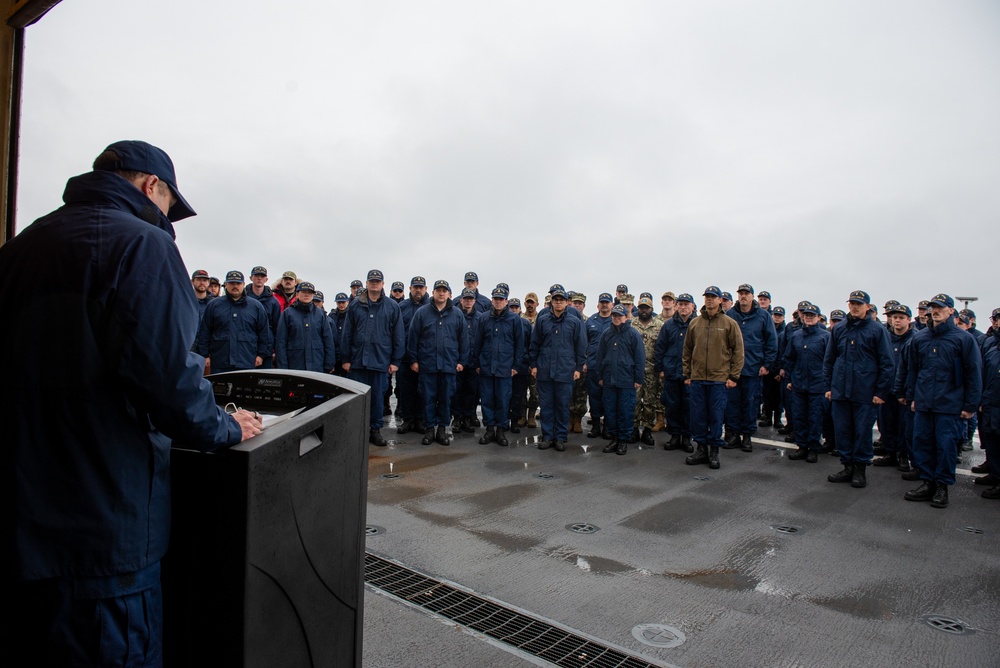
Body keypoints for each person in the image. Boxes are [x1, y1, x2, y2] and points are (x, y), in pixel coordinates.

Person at [0, 140, 261, 666]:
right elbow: (168, 378)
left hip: (21, 520)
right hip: (104, 529)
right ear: (151, 187)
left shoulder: (22, 246)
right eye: (170, 207)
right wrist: (227, 427)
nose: (168, 221)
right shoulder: (142, 246)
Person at [902, 294, 982, 508]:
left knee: (945, 447)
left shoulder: (963, 339)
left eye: (940, 308)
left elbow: (973, 374)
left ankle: (942, 487)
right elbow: (913, 370)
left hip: (950, 405)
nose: (935, 311)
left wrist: (970, 405)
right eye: (932, 308)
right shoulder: (920, 339)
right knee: (922, 443)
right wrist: (912, 397)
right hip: (924, 403)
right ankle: (927, 482)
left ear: (950, 311)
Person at [824, 290, 895, 489]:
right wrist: (829, 386)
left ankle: (860, 469)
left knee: (862, 432)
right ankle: (847, 466)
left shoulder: (877, 330)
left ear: (868, 307)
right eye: (852, 303)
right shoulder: (839, 329)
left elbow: (887, 363)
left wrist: (881, 392)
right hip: (840, 391)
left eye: (859, 303)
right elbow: (829, 360)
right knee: (843, 431)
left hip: (865, 392)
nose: (854, 307)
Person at [341, 269, 405, 446]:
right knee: (357, 398)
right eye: (372, 281)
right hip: (358, 362)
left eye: (378, 281)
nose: (375, 284)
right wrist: (345, 359)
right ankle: (357, 430)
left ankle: (375, 430)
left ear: (383, 284)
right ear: (367, 284)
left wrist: (395, 361)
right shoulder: (354, 305)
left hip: (380, 361)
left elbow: (398, 335)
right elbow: (347, 333)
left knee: (377, 398)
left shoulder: (392, 306)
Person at [683, 286, 744, 470]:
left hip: (719, 379)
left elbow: (739, 351)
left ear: (720, 300)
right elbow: (687, 350)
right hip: (698, 378)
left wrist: (734, 375)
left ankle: (714, 451)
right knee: (698, 416)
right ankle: (701, 449)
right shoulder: (695, 323)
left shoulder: (729, 323)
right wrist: (687, 373)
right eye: (707, 297)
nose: (709, 300)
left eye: (713, 297)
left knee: (716, 416)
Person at [408, 280, 469, 446]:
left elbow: (464, 340)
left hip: (449, 365)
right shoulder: (422, 313)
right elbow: (413, 337)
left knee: (445, 399)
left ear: (449, 293)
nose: (441, 294)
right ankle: (429, 429)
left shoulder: (457, 314)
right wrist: (413, 360)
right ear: (433, 292)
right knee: (428, 398)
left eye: (444, 291)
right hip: (427, 365)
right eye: (438, 290)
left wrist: (462, 361)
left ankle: (442, 429)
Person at [530, 288, 587, 451]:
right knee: (546, 405)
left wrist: (578, 368)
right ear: (552, 301)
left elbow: (581, 346)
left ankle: (561, 437)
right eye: (556, 300)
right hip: (545, 370)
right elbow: (534, 344)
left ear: (567, 302)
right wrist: (533, 365)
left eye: (562, 300)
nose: (558, 302)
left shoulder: (574, 322)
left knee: (562, 405)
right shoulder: (542, 320)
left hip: (565, 371)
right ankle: (547, 436)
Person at [724, 284, 777, 453]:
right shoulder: (730, 314)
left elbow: (771, 341)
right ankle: (732, 435)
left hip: (753, 368)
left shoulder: (763, 316)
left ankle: (747, 436)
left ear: (752, 296)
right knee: (732, 403)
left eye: (746, 294)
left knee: (750, 403)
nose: (743, 296)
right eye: (741, 294)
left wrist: (767, 364)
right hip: (732, 369)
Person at [473, 286, 525, 446]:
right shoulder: (483, 318)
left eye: (501, 299)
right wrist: (477, 363)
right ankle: (489, 429)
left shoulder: (515, 320)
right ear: (492, 300)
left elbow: (519, 345)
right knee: (487, 400)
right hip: (487, 367)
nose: (498, 302)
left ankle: (501, 430)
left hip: (505, 368)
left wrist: (516, 365)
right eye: (495, 299)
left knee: (503, 400)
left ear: (506, 301)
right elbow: (477, 343)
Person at [196, 270, 273, 374]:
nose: (235, 286)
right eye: (231, 283)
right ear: (226, 284)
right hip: (220, 361)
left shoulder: (256, 306)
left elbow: (264, 334)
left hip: (247, 361)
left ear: (244, 284)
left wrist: (261, 355)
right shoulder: (214, 305)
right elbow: (205, 332)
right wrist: (204, 355)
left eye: (238, 283)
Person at [595, 304, 645, 455]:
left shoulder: (633, 334)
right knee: (610, 411)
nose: (616, 318)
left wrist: (638, 378)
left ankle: (623, 440)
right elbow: (600, 356)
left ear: (626, 317)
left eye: (619, 316)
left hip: (627, 380)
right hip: (609, 379)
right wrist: (600, 376)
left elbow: (640, 358)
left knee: (625, 411)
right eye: (614, 315)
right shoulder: (606, 334)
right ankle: (614, 438)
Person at [784, 303, 831, 463]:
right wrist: (789, 379)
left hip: (818, 385)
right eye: (806, 315)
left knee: (815, 418)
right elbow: (789, 358)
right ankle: (802, 446)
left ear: (818, 318)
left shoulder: (826, 337)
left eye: (812, 315)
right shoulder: (796, 336)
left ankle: (813, 448)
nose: (809, 317)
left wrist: (828, 384)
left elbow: (830, 361)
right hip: (799, 384)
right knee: (799, 417)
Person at [871, 304, 916, 471]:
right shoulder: (886, 338)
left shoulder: (915, 339)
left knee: (904, 426)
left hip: (904, 392)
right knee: (886, 423)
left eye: (901, 317)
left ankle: (903, 455)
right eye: (894, 317)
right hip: (886, 390)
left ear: (908, 320)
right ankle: (890, 453)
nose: (896, 320)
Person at [654, 293, 696, 452]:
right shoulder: (669, 325)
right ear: (676, 306)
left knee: (688, 407)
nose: (683, 307)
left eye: (687, 304)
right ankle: (674, 435)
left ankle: (686, 437)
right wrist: (660, 368)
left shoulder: (696, 324)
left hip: (690, 375)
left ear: (692, 306)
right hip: (671, 372)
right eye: (681, 304)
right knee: (672, 406)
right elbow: (660, 348)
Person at [275, 281, 337, 373]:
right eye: (303, 292)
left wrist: (329, 364)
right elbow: (281, 342)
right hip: (295, 366)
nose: (306, 295)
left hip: (317, 366)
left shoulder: (320, 315)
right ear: (297, 294)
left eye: (309, 293)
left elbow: (328, 340)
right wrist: (283, 366)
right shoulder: (288, 314)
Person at [396, 276, 430, 435]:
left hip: (424, 357)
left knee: (423, 390)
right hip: (405, 358)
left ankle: (420, 419)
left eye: (421, 287)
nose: (418, 290)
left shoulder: (431, 308)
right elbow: (395, 332)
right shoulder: (401, 307)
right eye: (415, 287)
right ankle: (407, 419)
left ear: (426, 289)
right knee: (406, 390)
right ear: (410, 289)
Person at [633, 294, 665, 445]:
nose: (644, 311)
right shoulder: (631, 324)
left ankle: (646, 430)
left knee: (650, 402)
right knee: (635, 400)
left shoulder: (659, 325)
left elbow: (663, 348)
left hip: (652, 370)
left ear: (652, 309)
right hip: (635, 370)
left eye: (646, 308)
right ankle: (633, 429)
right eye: (641, 308)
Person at [585, 293, 614, 439]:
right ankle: (596, 426)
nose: (604, 305)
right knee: (594, 396)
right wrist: (584, 361)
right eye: (602, 302)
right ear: (598, 304)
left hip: (609, 366)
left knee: (608, 397)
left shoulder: (615, 320)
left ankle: (607, 427)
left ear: (612, 305)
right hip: (593, 365)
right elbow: (584, 343)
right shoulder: (591, 321)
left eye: (607, 302)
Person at [245, 265, 282, 367]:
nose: (259, 278)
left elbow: (277, 328)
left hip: (266, 348)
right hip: (246, 347)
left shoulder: (273, 302)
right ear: (251, 278)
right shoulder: (243, 299)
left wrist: (274, 349)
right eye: (256, 275)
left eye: (262, 276)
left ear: (266, 279)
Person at [508, 298, 533, 434]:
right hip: (506, 365)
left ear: (519, 309)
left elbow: (531, 344)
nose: (513, 310)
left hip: (522, 366)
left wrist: (529, 362)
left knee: (518, 395)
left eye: (515, 308)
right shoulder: (505, 322)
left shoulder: (526, 324)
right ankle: (504, 420)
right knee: (505, 395)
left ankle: (515, 421)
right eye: (511, 307)